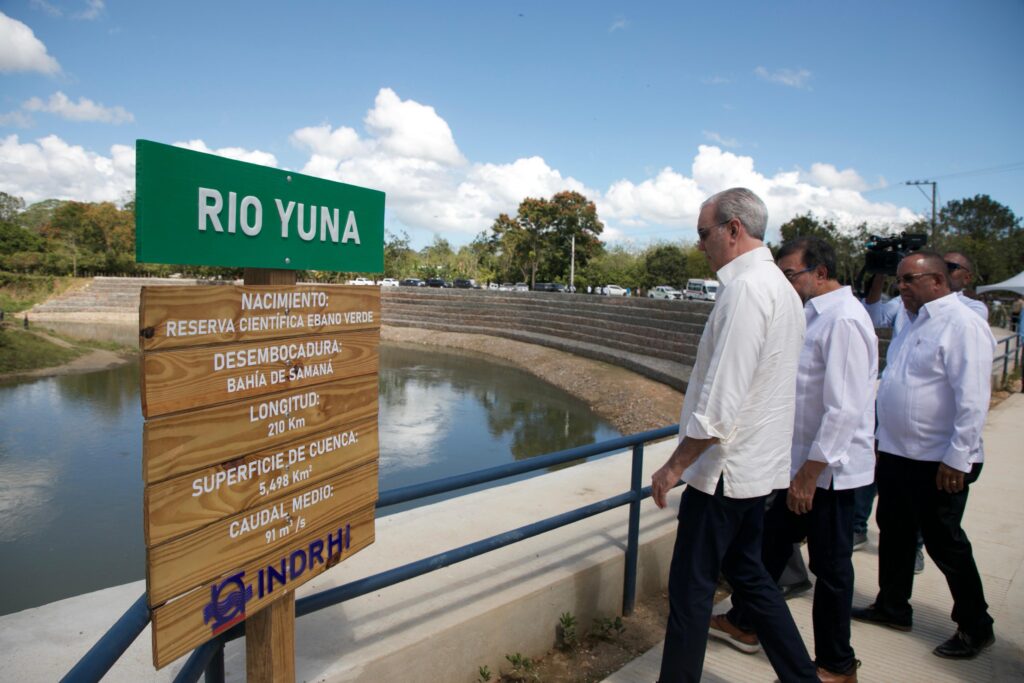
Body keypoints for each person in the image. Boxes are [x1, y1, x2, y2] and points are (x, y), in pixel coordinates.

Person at [651, 188, 815, 682]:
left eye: (704, 234)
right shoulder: (780, 288)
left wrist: (675, 465)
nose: (700, 244)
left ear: (733, 229)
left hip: (723, 474)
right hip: (755, 471)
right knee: (752, 578)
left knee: (691, 592)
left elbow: (721, 402)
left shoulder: (747, 290)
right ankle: (802, 677)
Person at [711, 238, 877, 682]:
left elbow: (843, 409)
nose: (785, 282)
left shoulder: (843, 320)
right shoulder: (813, 316)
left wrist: (809, 474)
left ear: (819, 273)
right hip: (801, 469)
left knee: (831, 568)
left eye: (791, 274)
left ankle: (838, 665)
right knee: (764, 549)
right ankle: (746, 623)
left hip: (827, 476)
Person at [852, 250, 996, 660]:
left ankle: (975, 625)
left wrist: (958, 458)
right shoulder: (913, 323)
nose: (901, 288)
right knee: (894, 532)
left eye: (908, 281)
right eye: (899, 280)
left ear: (936, 281)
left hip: (940, 460)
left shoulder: (962, 324)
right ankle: (892, 605)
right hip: (900, 453)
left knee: (944, 542)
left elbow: (973, 399)